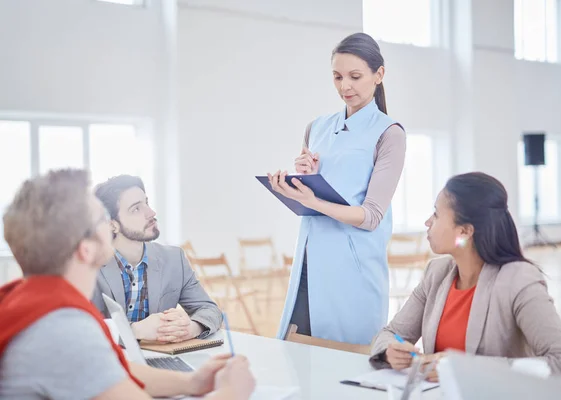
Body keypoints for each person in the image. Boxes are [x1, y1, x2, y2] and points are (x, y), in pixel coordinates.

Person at [0, 169, 255, 399]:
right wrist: (232, 393)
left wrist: (192, 382)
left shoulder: (34, 304)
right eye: (100, 219)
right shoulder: (65, 329)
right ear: (86, 249)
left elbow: (109, 368)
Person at [369, 172, 561, 382]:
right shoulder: (437, 273)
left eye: (435, 214)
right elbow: (391, 333)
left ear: (464, 232)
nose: (427, 222)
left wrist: (469, 368)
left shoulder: (518, 280)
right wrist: (390, 351)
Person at [269, 32, 406, 345]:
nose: (346, 86)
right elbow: (316, 196)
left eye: (355, 77)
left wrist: (314, 199)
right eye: (338, 77)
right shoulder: (316, 127)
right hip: (309, 262)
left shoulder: (390, 133)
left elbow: (371, 216)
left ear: (379, 74)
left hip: (353, 273)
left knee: (345, 371)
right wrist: (301, 179)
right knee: (297, 359)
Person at [92, 175, 222, 343]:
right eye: (136, 209)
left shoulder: (174, 259)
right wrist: (134, 330)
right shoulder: (89, 266)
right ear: (112, 224)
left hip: (161, 359)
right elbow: (78, 328)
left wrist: (191, 328)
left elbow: (210, 309)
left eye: (146, 203)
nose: (151, 213)